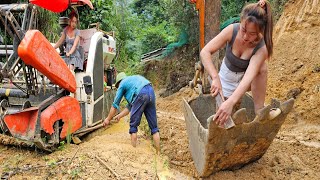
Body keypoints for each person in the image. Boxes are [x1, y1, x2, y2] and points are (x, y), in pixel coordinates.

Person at [200, 0, 280, 126]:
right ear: (241, 21)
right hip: (225, 80)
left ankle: (260, 110)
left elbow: (248, 78)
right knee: (222, 124)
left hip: (244, 82)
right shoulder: (232, 30)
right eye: (243, 30)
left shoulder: (262, 48)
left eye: (252, 34)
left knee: (262, 67)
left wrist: (231, 102)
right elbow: (205, 52)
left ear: (260, 31)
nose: (245, 37)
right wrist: (215, 78)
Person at [103, 72, 160, 154]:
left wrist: (108, 119)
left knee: (133, 126)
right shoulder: (133, 80)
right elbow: (131, 106)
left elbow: (115, 105)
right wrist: (119, 116)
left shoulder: (122, 84)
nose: (118, 88)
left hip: (141, 94)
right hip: (150, 91)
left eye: (117, 87)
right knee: (154, 128)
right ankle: (158, 153)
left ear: (119, 83)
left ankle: (133, 151)